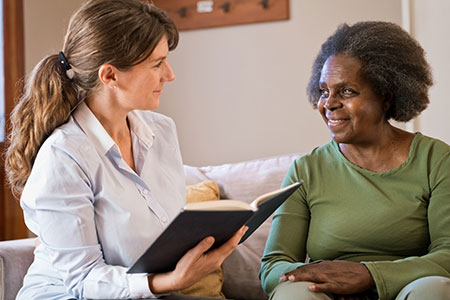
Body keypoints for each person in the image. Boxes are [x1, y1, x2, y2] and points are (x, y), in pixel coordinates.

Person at [5, 0, 247, 299]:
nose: (169, 75)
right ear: (110, 76)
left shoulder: (161, 131)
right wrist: (168, 282)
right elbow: (82, 280)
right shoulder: (63, 156)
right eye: (157, 63)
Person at [260, 21, 450, 300]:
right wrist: (321, 275)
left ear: (386, 95)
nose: (329, 104)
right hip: (328, 294)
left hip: (407, 290)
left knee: (434, 288)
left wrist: (369, 275)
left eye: (347, 91)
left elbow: (447, 255)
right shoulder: (307, 170)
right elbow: (274, 266)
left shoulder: (435, 160)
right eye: (324, 91)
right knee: (294, 293)